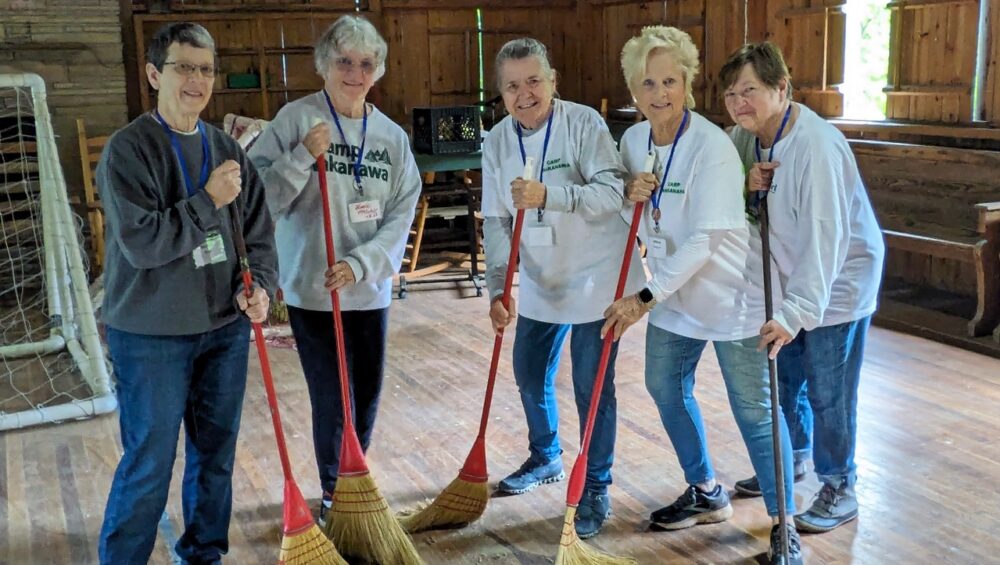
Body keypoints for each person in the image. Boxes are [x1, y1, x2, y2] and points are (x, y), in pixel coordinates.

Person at [602, 26, 801, 564]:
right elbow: (645, 223)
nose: (659, 92)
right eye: (648, 82)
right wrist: (629, 197)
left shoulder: (711, 147)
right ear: (634, 89)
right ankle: (706, 491)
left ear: (687, 83)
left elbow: (706, 239)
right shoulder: (634, 141)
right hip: (673, 295)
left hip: (731, 296)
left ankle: (786, 524)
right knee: (665, 386)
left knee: (755, 411)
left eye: (670, 80)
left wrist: (643, 297)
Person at [97, 22, 278, 565]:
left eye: (205, 68)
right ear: (155, 74)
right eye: (184, 67)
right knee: (150, 461)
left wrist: (263, 288)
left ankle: (203, 554)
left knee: (215, 456)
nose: (197, 79)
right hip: (151, 335)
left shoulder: (226, 149)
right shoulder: (128, 151)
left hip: (224, 330)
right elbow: (144, 245)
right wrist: (206, 200)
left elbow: (260, 234)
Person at [248, 14, 420, 526]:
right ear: (324, 65)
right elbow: (257, 199)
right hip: (313, 290)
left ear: (378, 71)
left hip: (366, 289)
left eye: (366, 63)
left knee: (365, 395)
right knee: (332, 395)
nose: (354, 72)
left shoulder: (389, 137)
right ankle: (332, 492)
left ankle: (353, 477)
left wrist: (360, 263)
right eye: (344, 61)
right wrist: (301, 158)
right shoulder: (296, 120)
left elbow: (401, 211)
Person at [481, 37, 644, 540]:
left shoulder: (582, 123)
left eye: (534, 80)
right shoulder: (497, 142)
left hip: (598, 279)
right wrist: (496, 289)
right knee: (530, 373)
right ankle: (546, 455)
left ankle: (596, 485)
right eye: (512, 86)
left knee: (591, 387)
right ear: (501, 94)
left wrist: (551, 194)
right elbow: (495, 220)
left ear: (552, 80)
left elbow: (612, 190)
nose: (524, 93)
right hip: (541, 280)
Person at [721, 41, 885, 533]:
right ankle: (790, 462)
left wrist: (796, 313)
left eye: (749, 90)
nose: (738, 102)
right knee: (786, 378)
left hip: (838, 281)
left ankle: (840, 484)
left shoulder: (815, 145)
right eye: (730, 94)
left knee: (829, 390)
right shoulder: (749, 137)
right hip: (790, 278)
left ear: (782, 88)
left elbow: (825, 240)